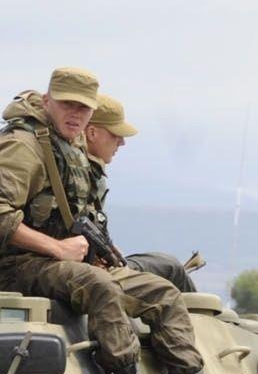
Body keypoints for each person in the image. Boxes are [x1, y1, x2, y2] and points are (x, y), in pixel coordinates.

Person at [0, 68, 258, 374]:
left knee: (161, 293)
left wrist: (89, 249)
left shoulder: (68, 144)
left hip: (65, 261)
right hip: (14, 265)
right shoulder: (22, 146)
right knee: (98, 284)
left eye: (84, 109)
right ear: (48, 99)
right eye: (68, 104)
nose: (76, 114)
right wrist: (58, 247)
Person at [84, 93, 199, 293]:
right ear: (92, 133)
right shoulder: (75, 174)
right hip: (89, 273)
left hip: (99, 266)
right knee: (171, 268)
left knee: (168, 265)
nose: (121, 142)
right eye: (115, 134)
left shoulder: (87, 173)